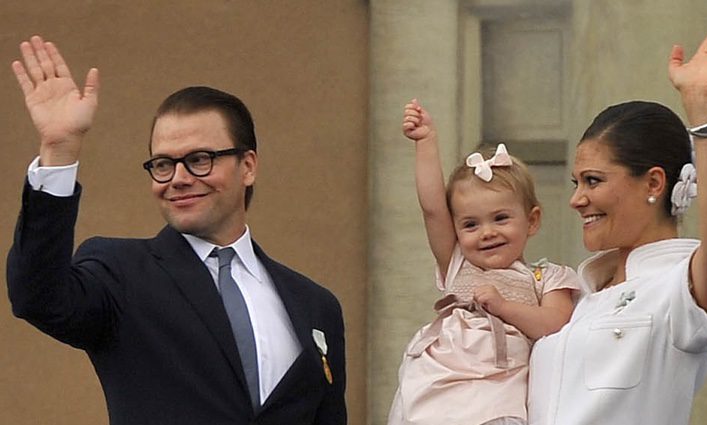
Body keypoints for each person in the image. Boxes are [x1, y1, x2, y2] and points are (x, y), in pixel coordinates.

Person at [6, 35, 346, 425]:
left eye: (200, 159)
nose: (179, 178)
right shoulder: (121, 272)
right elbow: (36, 295)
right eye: (163, 164)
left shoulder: (316, 305)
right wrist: (59, 151)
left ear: (248, 166)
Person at [527, 29, 707, 425]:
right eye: (577, 183)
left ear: (654, 183)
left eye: (593, 181)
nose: (577, 199)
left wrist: (701, 104)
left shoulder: (677, 291)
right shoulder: (572, 299)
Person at [387, 100, 579, 425]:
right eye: (471, 225)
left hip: (496, 396)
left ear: (532, 220)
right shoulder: (458, 262)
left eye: (501, 218)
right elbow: (433, 208)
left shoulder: (546, 276)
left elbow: (555, 324)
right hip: (437, 389)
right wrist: (426, 142)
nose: (487, 233)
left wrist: (504, 307)